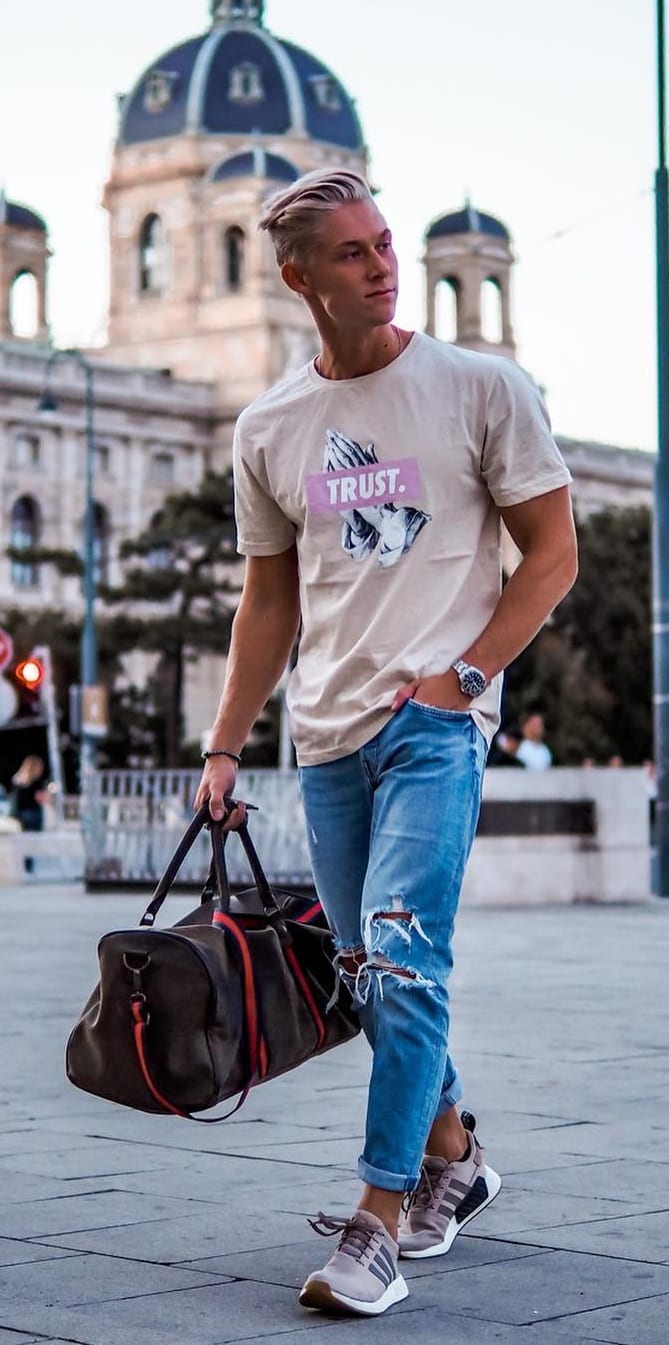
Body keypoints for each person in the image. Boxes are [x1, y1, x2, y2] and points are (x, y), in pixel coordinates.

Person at [195, 168, 578, 1317]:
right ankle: (455, 1153)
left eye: (384, 242)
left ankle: (379, 1220)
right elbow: (269, 603)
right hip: (327, 739)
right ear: (298, 274)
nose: (381, 263)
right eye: (353, 252)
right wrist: (224, 747)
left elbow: (551, 558)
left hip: (434, 730)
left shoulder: (479, 387)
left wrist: (461, 678)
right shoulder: (270, 427)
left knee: (406, 961)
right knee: (365, 977)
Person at [10, 755, 47, 831]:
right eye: (39, 767)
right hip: (28, 814)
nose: (41, 770)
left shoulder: (18, 779)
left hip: (27, 813)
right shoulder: (32, 782)